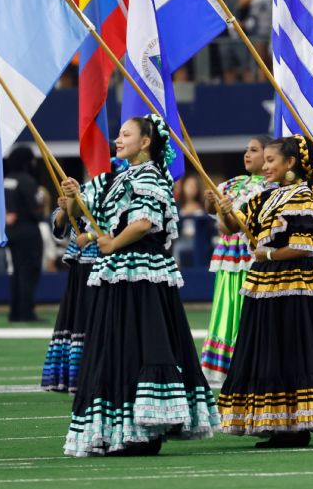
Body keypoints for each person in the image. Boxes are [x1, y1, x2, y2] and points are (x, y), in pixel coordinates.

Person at [61, 116, 218, 456]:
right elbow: (91, 225)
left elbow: (145, 222)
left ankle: (145, 432)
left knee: (137, 345)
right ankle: (124, 431)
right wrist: (73, 201)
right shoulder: (121, 178)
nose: (118, 140)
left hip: (141, 273)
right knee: (117, 347)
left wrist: (113, 244)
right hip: (118, 272)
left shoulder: (150, 175)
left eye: (126, 134)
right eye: (118, 134)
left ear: (146, 141)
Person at [215, 135, 313, 447]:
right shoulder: (266, 197)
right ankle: (279, 422)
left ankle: (297, 425)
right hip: (265, 284)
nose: (265, 165)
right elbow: (233, 226)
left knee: (292, 348)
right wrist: (224, 210)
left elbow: (305, 245)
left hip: (296, 287)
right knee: (269, 348)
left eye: (271, 160)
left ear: (290, 163)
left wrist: (270, 255)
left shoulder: (306, 199)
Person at [198, 136, 273, 386]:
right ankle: (224, 365)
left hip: (253, 253)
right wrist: (210, 202)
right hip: (230, 255)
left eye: (254, 150)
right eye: (246, 150)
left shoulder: (271, 187)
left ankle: (250, 359)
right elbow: (213, 211)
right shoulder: (233, 183)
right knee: (226, 305)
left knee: (246, 305)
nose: (247, 154)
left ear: (268, 155)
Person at [40, 166, 108, 392]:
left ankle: (101, 373)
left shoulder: (119, 187)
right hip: (80, 266)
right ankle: (78, 376)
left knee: (100, 320)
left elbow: (118, 226)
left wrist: (89, 236)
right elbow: (59, 229)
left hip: (105, 263)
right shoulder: (82, 189)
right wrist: (64, 208)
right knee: (80, 319)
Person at [4, 146, 44, 323]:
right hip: (28, 232)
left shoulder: (6, 180)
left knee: (16, 272)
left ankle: (15, 312)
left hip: (11, 233)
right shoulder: (27, 181)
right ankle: (27, 312)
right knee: (29, 272)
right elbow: (36, 208)